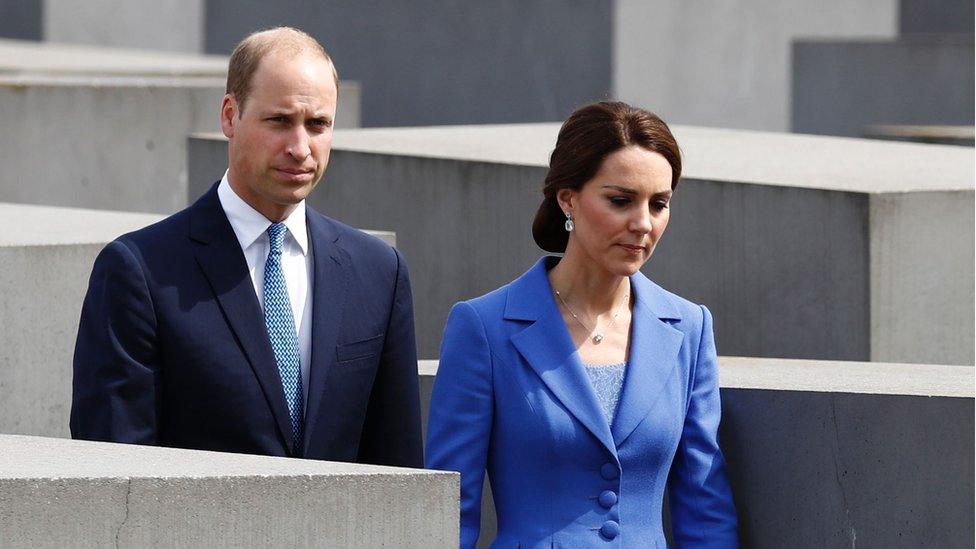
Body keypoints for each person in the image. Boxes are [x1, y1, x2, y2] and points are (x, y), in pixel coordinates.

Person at [70, 27, 422, 468]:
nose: (300, 148)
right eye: (280, 121)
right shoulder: (139, 271)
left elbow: (399, 470)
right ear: (229, 116)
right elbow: (113, 471)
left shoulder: (377, 271)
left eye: (318, 124)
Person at [425, 102, 738, 547]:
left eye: (659, 203)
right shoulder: (483, 327)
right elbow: (451, 506)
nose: (643, 223)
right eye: (621, 200)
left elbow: (704, 503)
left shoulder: (689, 327)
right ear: (568, 198)